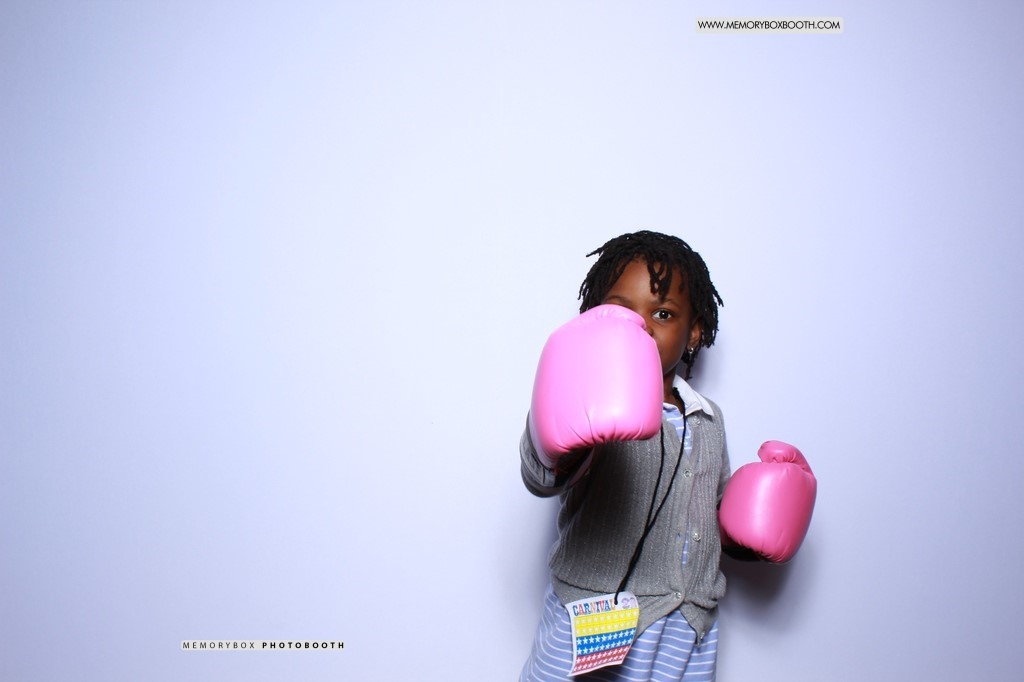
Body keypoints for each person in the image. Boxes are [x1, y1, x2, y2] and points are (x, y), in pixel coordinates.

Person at [519, 230, 727, 681]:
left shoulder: (708, 418)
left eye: (663, 313)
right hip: (593, 618)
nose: (642, 325)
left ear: (694, 332)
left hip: (686, 626)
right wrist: (560, 441)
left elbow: (711, 515)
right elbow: (540, 474)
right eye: (623, 310)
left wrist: (750, 528)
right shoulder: (587, 392)